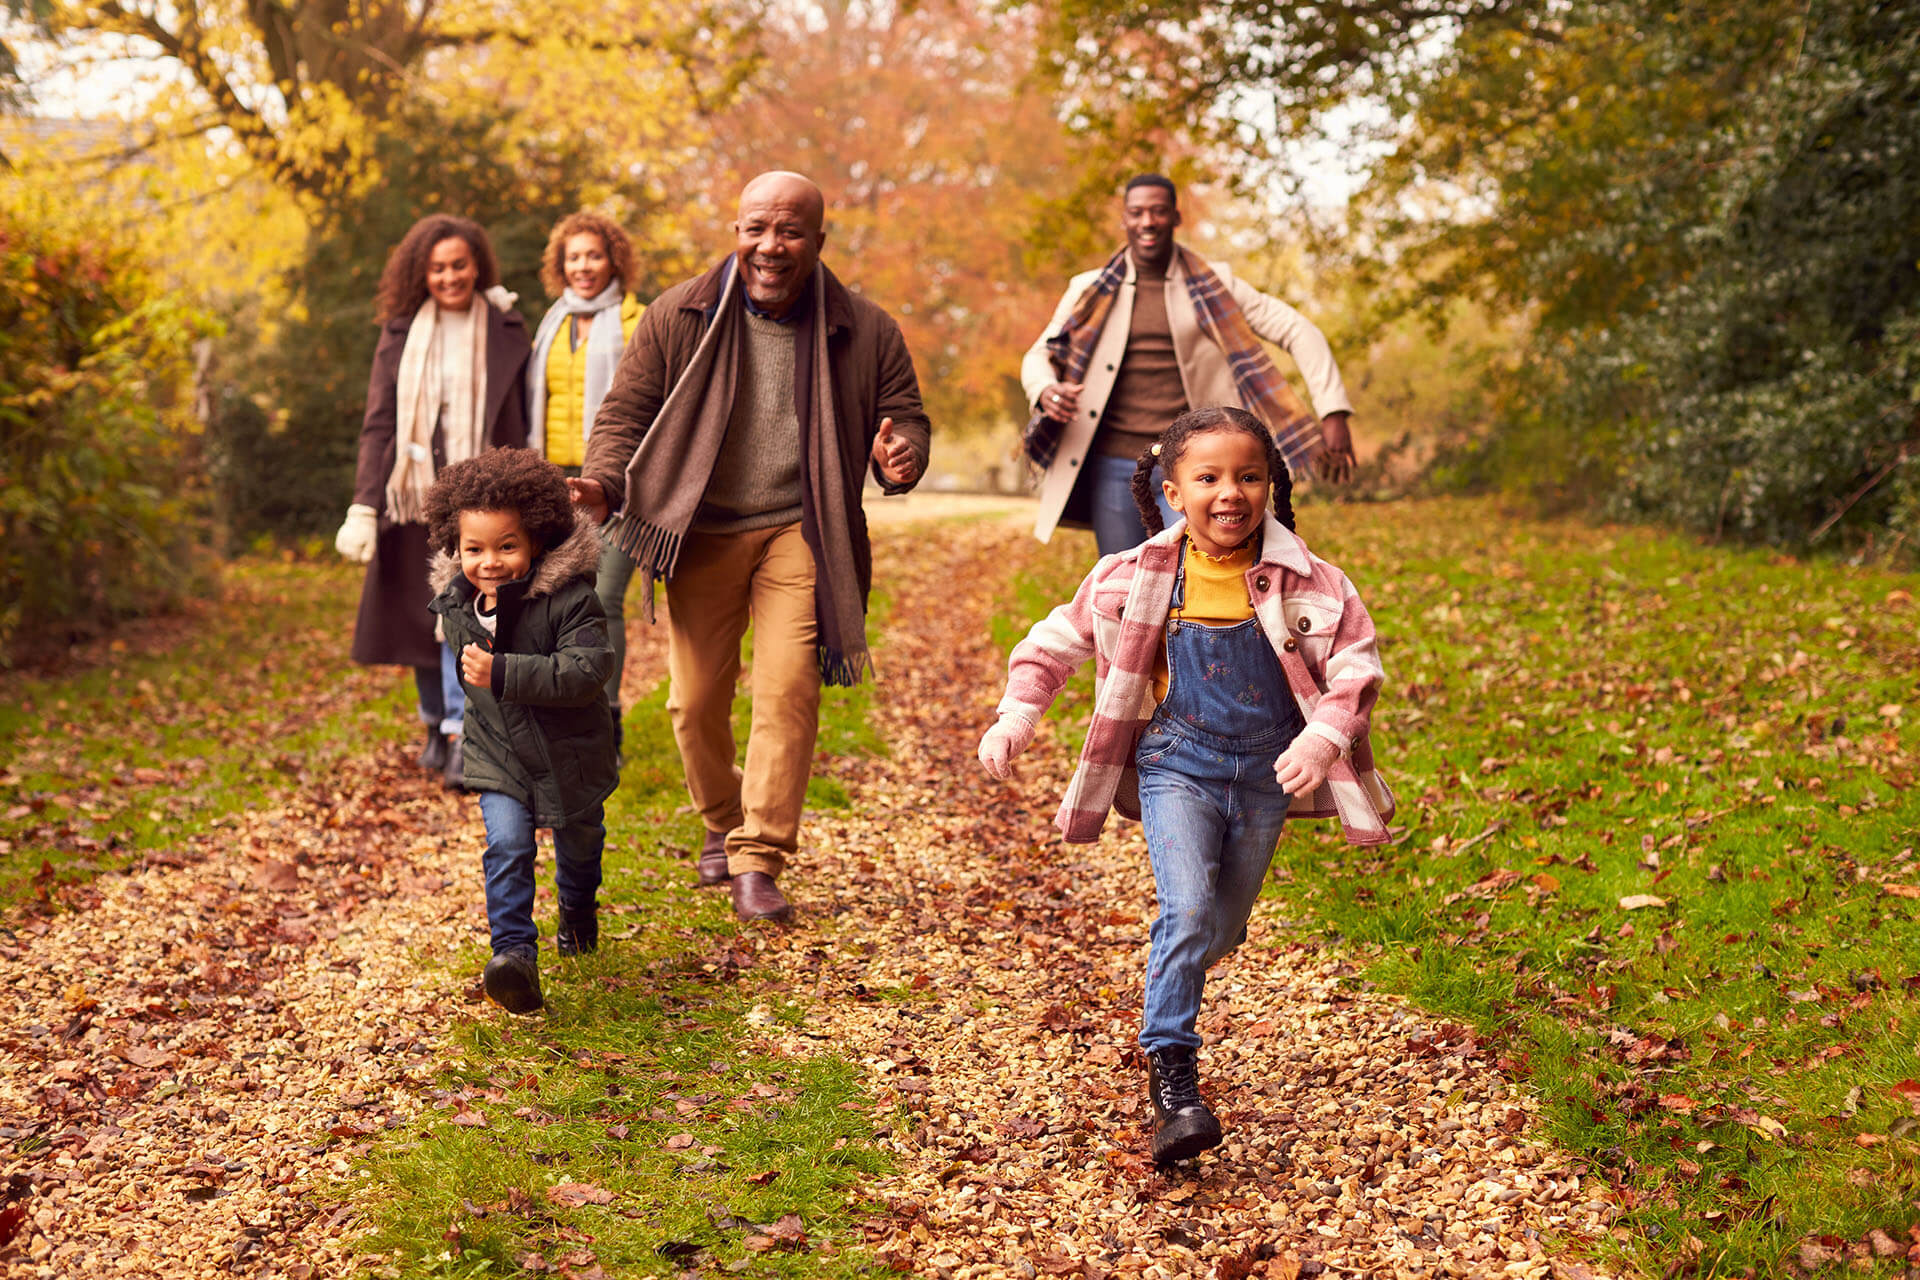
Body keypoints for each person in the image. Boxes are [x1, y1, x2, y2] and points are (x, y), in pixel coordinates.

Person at [977, 405, 1395, 1165]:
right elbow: (1054, 642)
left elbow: (1357, 668)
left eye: (1247, 476)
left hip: (1271, 769)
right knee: (1189, 909)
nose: (1229, 492)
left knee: (1219, 929)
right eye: (1208, 477)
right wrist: (1016, 716)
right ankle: (1174, 1080)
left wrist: (1323, 735)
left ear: (1270, 486)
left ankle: (1179, 965)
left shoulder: (1315, 584)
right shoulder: (1132, 575)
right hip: (1177, 764)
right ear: (1174, 491)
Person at [569, 170, 930, 923]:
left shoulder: (866, 329)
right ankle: (720, 818)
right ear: (735, 233)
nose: (770, 246)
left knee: (787, 687)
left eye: (789, 231)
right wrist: (604, 483)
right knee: (694, 702)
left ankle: (759, 856)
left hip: (805, 528)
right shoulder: (680, 315)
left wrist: (904, 457)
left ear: (818, 241)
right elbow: (623, 415)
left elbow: (907, 417)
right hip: (699, 528)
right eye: (756, 229)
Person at [1021, 174, 1358, 555]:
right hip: (1113, 466)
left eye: (1158, 211)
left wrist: (1333, 410)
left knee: (1198, 580)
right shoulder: (1089, 289)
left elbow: (1297, 329)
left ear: (1175, 218)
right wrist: (1046, 390)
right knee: (1122, 589)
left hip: (1194, 466)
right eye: (1137, 213)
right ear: (1125, 220)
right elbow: (1039, 355)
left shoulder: (1215, 284)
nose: (1147, 221)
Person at [335, 214, 531, 789]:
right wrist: (364, 504)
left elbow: (518, 413)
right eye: (438, 267)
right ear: (422, 271)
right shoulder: (399, 331)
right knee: (419, 622)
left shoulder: (503, 327)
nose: (450, 277)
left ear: (478, 267)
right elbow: (378, 423)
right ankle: (434, 722)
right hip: (410, 496)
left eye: (460, 265)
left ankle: (459, 731)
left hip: (477, 497)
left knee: (468, 614)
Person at [424, 448, 619, 1014]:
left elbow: (588, 670)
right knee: (507, 846)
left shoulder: (571, 598)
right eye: (474, 549)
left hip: (570, 752)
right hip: (500, 754)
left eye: (507, 546)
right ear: (455, 548)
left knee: (579, 845)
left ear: (535, 540)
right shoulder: (456, 603)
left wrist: (504, 671)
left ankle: (578, 910)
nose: (490, 562)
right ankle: (513, 957)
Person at [527, 212, 648, 750]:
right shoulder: (551, 324)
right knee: (555, 599)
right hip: (554, 483)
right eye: (573, 257)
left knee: (603, 597)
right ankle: (562, 712)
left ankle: (608, 715)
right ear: (560, 265)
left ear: (614, 260)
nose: (583, 266)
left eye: (593, 255)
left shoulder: (638, 321)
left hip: (619, 485)